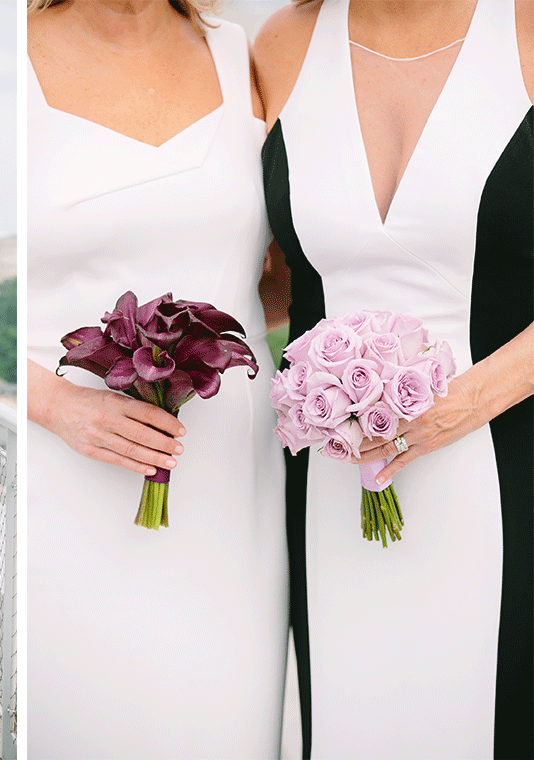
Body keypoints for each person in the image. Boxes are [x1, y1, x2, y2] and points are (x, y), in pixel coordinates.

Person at [253, 0, 533, 757]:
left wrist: (474, 396)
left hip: (515, 466)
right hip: (326, 492)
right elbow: (260, 270)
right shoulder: (282, 43)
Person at [27, 1, 289, 756]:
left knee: (222, 713)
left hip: (232, 483)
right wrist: (53, 403)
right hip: (71, 472)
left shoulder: (242, 53)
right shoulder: (13, 54)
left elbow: (279, 270)